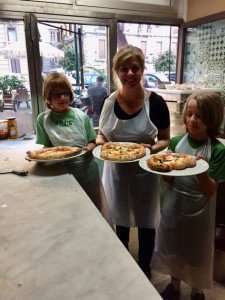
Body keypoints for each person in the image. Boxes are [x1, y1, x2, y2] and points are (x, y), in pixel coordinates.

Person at [96, 45, 170, 278]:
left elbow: (165, 139)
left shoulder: (156, 102)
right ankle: (123, 263)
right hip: (116, 170)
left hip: (145, 172)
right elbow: (102, 134)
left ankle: (145, 266)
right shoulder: (110, 102)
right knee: (121, 219)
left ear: (142, 70)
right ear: (117, 72)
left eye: (135, 68)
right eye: (124, 69)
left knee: (147, 220)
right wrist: (100, 143)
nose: (130, 74)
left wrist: (151, 147)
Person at [153, 92, 225, 300]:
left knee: (197, 251)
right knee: (174, 246)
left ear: (213, 119)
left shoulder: (218, 150)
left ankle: (197, 289)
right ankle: (174, 285)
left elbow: (211, 190)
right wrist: (164, 168)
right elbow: (170, 180)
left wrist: (201, 169)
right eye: (190, 114)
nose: (193, 120)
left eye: (200, 116)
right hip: (174, 204)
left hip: (200, 211)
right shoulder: (176, 142)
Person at [36, 72, 109, 220]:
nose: (62, 98)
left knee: (93, 209)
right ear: (48, 98)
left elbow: (92, 141)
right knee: (69, 211)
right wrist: (41, 157)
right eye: (56, 95)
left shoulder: (81, 116)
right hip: (60, 172)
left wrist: (87, 149)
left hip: (87, 170)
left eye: (65, 93)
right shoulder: (43, 120)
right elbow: (47, 148)